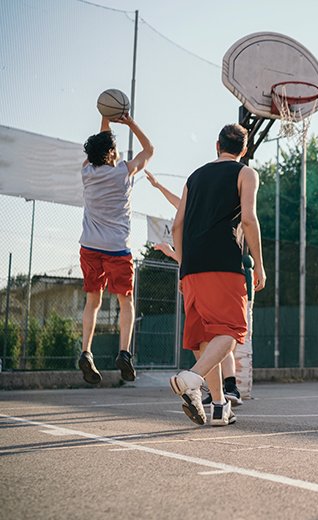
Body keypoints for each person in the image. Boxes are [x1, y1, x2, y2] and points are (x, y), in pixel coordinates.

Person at [169, 124, 265, 426]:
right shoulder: (245, 173)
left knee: (205, 336)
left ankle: (220, 406)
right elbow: (248, 218)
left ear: (217, 145)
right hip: (223, 261)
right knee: (235, 329)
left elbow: (177, 226)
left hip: (192, 264)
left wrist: (183, 265)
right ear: (244, 150)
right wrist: (260, 263)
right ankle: (192, 378)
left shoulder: (194, 177)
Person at [146, 169, 243, 406]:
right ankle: (217, 395)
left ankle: (222, 389)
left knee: (217, 337)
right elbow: (178, 206)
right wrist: (159, 186)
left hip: (202, 273)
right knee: (222, 335)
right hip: (210, 271)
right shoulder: (204, 216)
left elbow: (179, 211)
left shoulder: (208, 216)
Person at [78, 114, 154, 385]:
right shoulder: (124, 172)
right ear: (111, 153)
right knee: (126, 302)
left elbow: (101, 146)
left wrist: (104, 118)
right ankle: (124, 352)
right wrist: (131, 122)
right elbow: (149, 150)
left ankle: (86, 351)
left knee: (93, 302)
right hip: (117, 250)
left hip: (90, 247)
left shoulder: (87, 172)